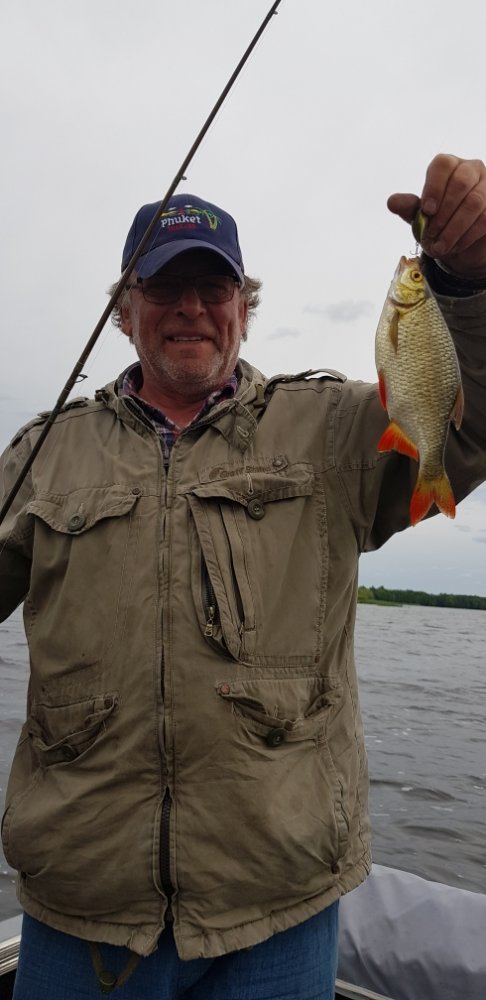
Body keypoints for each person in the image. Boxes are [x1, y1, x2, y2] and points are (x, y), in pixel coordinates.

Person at [1, 153, 486, 1000]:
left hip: (281, 908)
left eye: (214, 286)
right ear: (124, 310)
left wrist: (465, 283)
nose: (191, 306)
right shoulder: (43, 453)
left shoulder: (333, 431)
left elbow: (470, 422)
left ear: (244, 307)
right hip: (83, 910)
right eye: (164, 286)